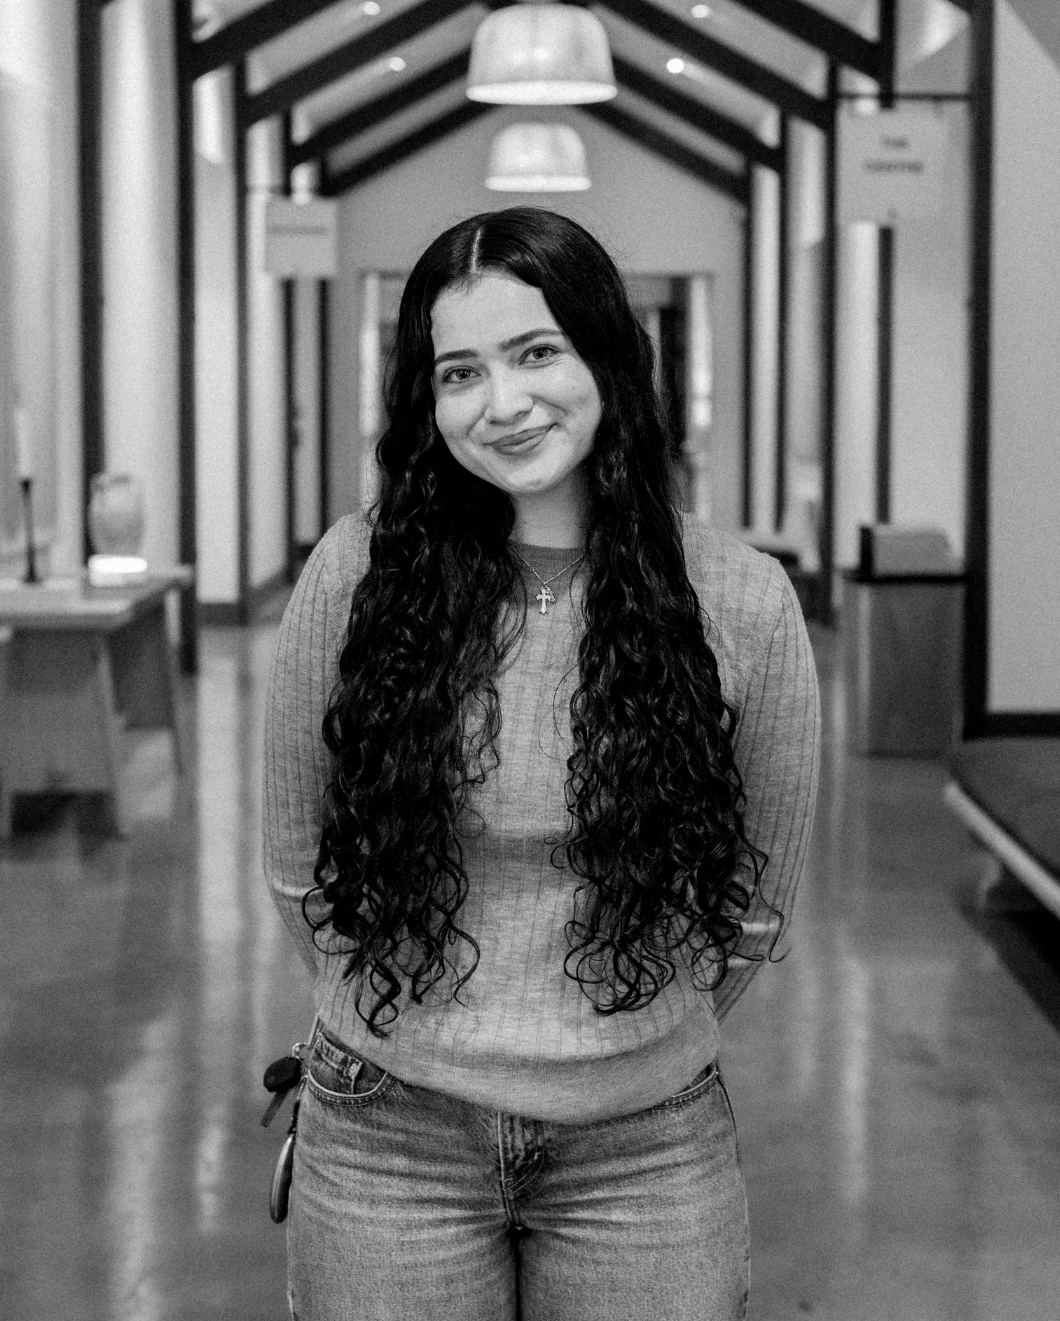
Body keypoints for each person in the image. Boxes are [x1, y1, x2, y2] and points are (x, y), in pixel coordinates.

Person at [263, 206, 820, 1321]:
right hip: (387, 1128)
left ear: (607, 354)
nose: (503, 403)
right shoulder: (355, 576)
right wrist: (429, 1024)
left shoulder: (744, 601)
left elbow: (754, 911)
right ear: (427, 403)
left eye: (536, 352)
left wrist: (613, 1042)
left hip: (648, 1144)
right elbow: (300, 869)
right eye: (459, 371)